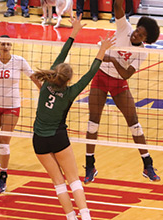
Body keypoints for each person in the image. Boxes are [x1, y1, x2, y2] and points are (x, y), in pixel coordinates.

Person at [32, 15, 114, 220]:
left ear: (54, 73)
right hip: (58, 137)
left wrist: (74, 32)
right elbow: (91, 73)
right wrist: (102, 50)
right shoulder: (69, 93)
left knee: (58, 183)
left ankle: (70, 217)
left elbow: (62, 53)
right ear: (68, 79)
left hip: (39, 140)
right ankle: (85, 216)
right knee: (73, 180)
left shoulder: (46, 86)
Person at [84, 0, 160, 184]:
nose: (136, 35)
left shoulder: (142, 52)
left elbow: (126, 74)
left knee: (133, 122)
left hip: (119, 83)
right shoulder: (124, 28)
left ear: (146, 40)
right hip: (101, 77)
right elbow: (117, 5)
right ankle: (90, 165)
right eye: (137, 31)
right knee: (93, 121)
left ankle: (147, 165)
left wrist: (113, 60)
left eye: (141, 35)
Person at [0, 35, 42, 194]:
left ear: (11, 46)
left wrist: (43, 92)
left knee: (4, 143)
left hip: (11, 107)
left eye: (8, 44)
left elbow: (34, 79)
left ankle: (3, 175)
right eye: (2, 44)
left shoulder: (19, 61)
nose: (5, 46)